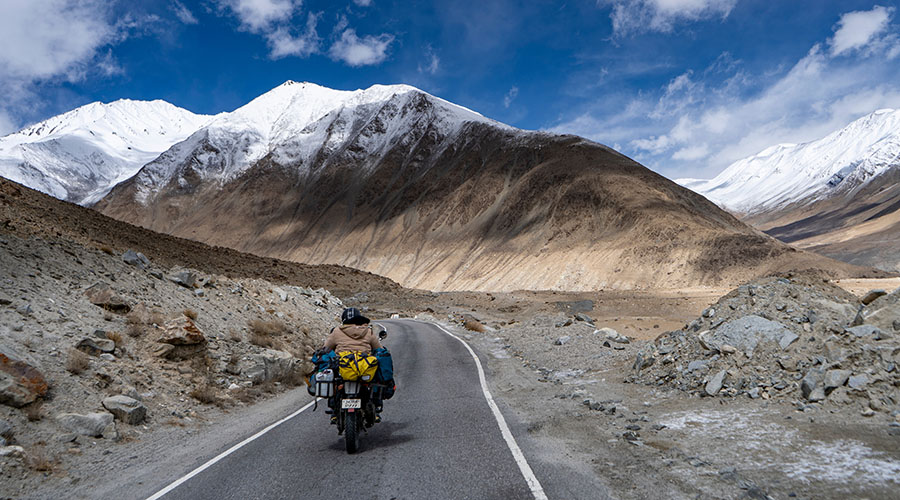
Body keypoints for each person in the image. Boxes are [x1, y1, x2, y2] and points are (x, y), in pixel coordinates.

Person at [322, 308, 385, 423]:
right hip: (363, 368)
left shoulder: (336, 331)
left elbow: (326, 348)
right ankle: (375, 407)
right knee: (375, 379)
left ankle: (335, 412)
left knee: (334, 380)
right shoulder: (368, 331)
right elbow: (378, 349)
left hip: (344, 367)